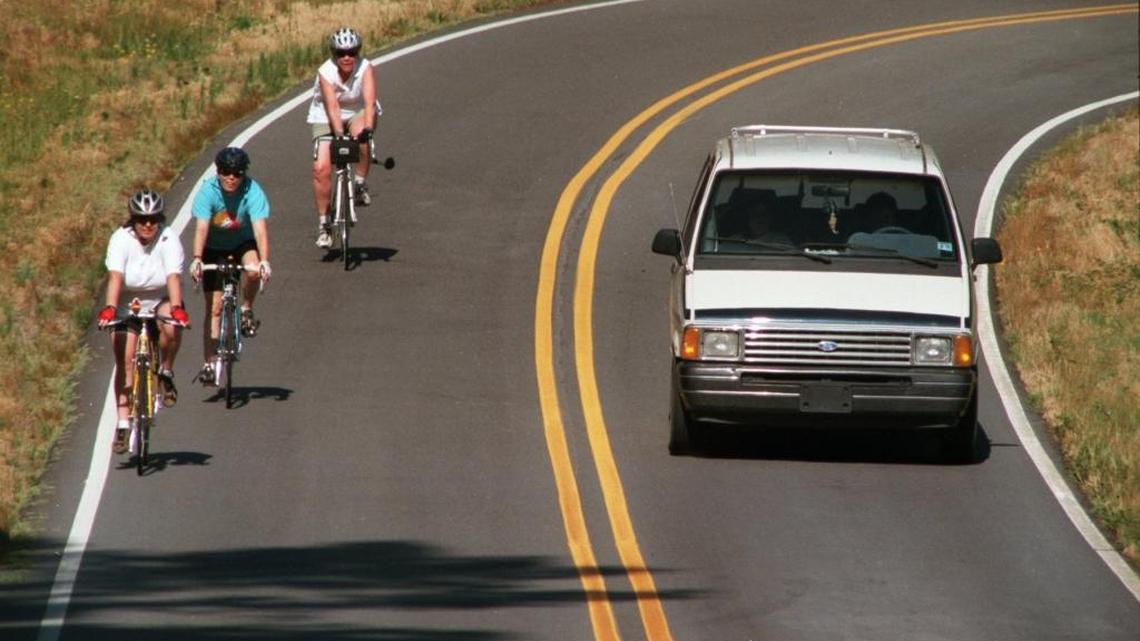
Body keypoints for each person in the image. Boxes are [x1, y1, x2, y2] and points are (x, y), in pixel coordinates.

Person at [97, 189, 190, 453]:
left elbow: (173, 278)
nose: (148, 225)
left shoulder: (169, 239)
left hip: (159, 299)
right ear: (133, 220)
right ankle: (124, 423)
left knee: (172, 325)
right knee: (125, 360)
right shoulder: (120, 239)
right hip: (128, 304)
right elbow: (115, 276)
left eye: (153, 219)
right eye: (142, 220)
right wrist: (110, 308)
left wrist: (179, 311)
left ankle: (166, 372)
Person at [188, 147, 271, 386]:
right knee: (214, 309)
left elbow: (260, 229)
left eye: (237, 173)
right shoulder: (208, 191)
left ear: (244, 174)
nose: (231, 177)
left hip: (242, 243)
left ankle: (246, 307)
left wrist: (265, 261)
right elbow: (202, 228)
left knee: (253, 270)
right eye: (226, 172)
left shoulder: (252, 191)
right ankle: (209, 363)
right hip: (213, 247)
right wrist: (196, 258)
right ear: (218, 172)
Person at [306, 26, 380, 249]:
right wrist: (339, 136)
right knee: (321, 168)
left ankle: (359, 184)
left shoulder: (365, 68)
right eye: (341, 53)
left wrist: (367, 128)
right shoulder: (325, 72)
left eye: (352, 52)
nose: (347, 58)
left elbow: (368, 102)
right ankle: (324, 225)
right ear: (334, 54)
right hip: (327, 116)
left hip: (357, 112)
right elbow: (332, 107)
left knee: (362, 136)